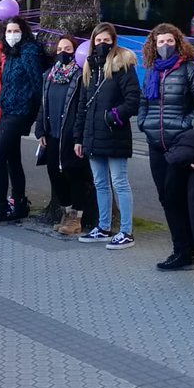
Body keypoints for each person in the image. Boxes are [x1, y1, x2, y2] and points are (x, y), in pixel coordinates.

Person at [73, 22, 141, 249]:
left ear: (114, 41)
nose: (102, 44)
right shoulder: (89, 68)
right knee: (100, 183)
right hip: (92, 135)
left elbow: (133, 99)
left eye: (106, 40)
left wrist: (113, 116)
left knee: (120, 182)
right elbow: (83, 105)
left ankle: (126, 231)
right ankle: (103, 227)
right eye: (98, 40)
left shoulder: (123, 65)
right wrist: (79, 138)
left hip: (114, 133)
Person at [138, 23, 194, 269]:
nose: (165, 46)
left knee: (176, 196)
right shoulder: (152, 71)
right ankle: (184, 247)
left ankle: (183, 250)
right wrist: (143, 123)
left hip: (179, 144)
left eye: (169, 41)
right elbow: (144, 100)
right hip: (155, 143)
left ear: (178, 42)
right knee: (165, 197)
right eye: (161, 42)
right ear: (154, 45)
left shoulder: (188, 69)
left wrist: (185, 125)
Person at [0, 16, 45, 226]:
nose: (12, 35)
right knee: (12, 158)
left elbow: (37, 85)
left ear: (23, 32)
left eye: (16, 30)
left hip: (21, 112)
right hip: (6, 110)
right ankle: (20, 204)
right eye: (8, 31)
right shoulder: (10, 53)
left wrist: (33, 113)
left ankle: (0, 207)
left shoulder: (28, 52)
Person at [35, 34, 91, 236]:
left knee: (74, 175)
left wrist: (79, 136)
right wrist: (40, 129)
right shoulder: (49, 75)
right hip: (52, 134)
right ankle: (66, 212)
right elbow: (43, 104)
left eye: (68, 49)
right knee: (54, 174)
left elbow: (83, 107)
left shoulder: (80, 76)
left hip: (71, 135)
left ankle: (76, 218)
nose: (63, 53)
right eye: (59, 49)